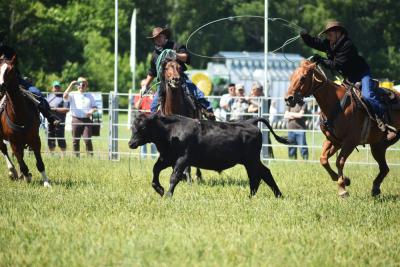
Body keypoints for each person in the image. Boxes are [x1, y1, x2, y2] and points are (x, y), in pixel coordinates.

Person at [300, 20, 396, 140]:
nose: (328, 36)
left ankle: (385, 124)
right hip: (349, 78)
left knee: (368, 96)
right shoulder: (329, 43)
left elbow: (337, 65)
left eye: (330, 33)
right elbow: (315, 42)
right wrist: (304, 36)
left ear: (338, 33)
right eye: (327, 33)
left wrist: (321, 60)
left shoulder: (347, 45)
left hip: (362, 75)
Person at [140, 26, 214, 119]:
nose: (157, 39)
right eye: (155, 38)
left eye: (159, 37)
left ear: (164, 36)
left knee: (197, 93)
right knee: (153, 106)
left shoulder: (175, 46)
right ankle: (154, 124)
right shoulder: (155, 55)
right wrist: (145, 85)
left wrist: (176, 55)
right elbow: (152, 72)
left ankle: (208, 111)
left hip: (180, 78)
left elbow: (186, 57)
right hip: (164, 82)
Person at [0, 34, 60, 126]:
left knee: (37, 93)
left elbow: (15, 65)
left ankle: (49, 117)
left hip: (15, 79)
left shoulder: (10, 51)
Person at [63, 77, 97, 157]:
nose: (81, 86)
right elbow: (64, 96)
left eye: (83, 84)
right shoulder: (72, 94)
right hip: (76, 119)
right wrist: (71, 84)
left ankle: (90, 157)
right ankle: (76, 157)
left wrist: (91, 111)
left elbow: (95, 107)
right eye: (79, 84)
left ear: (86, 86)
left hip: (87, 120)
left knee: (87, 139)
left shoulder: (90, 95)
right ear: (77, 86)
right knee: (75, 140)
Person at [46, 81, 69, 156]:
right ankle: (52, 155)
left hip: (60, 121)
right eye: (55, 87)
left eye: (58, 87)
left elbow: (66, 109)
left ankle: (64, 156)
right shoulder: (49, 96)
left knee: (61, 137)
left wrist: (54, 109)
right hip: (50, 121)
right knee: (50, 137)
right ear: (52, 88)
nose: (57, 89)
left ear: (60, 88)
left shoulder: (64, 97)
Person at [133, 94, 157, 159]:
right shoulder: (138, 95)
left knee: (153, 141)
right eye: (143, 85)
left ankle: (154, 157)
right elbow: (137, 106)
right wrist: (141, 97)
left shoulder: (153, 94)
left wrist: (152, 97)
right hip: (142, 122)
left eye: (146, 85)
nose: (145, 87)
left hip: (151, 121)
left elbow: (155, 106)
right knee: (142, 140)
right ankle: (144, 157)